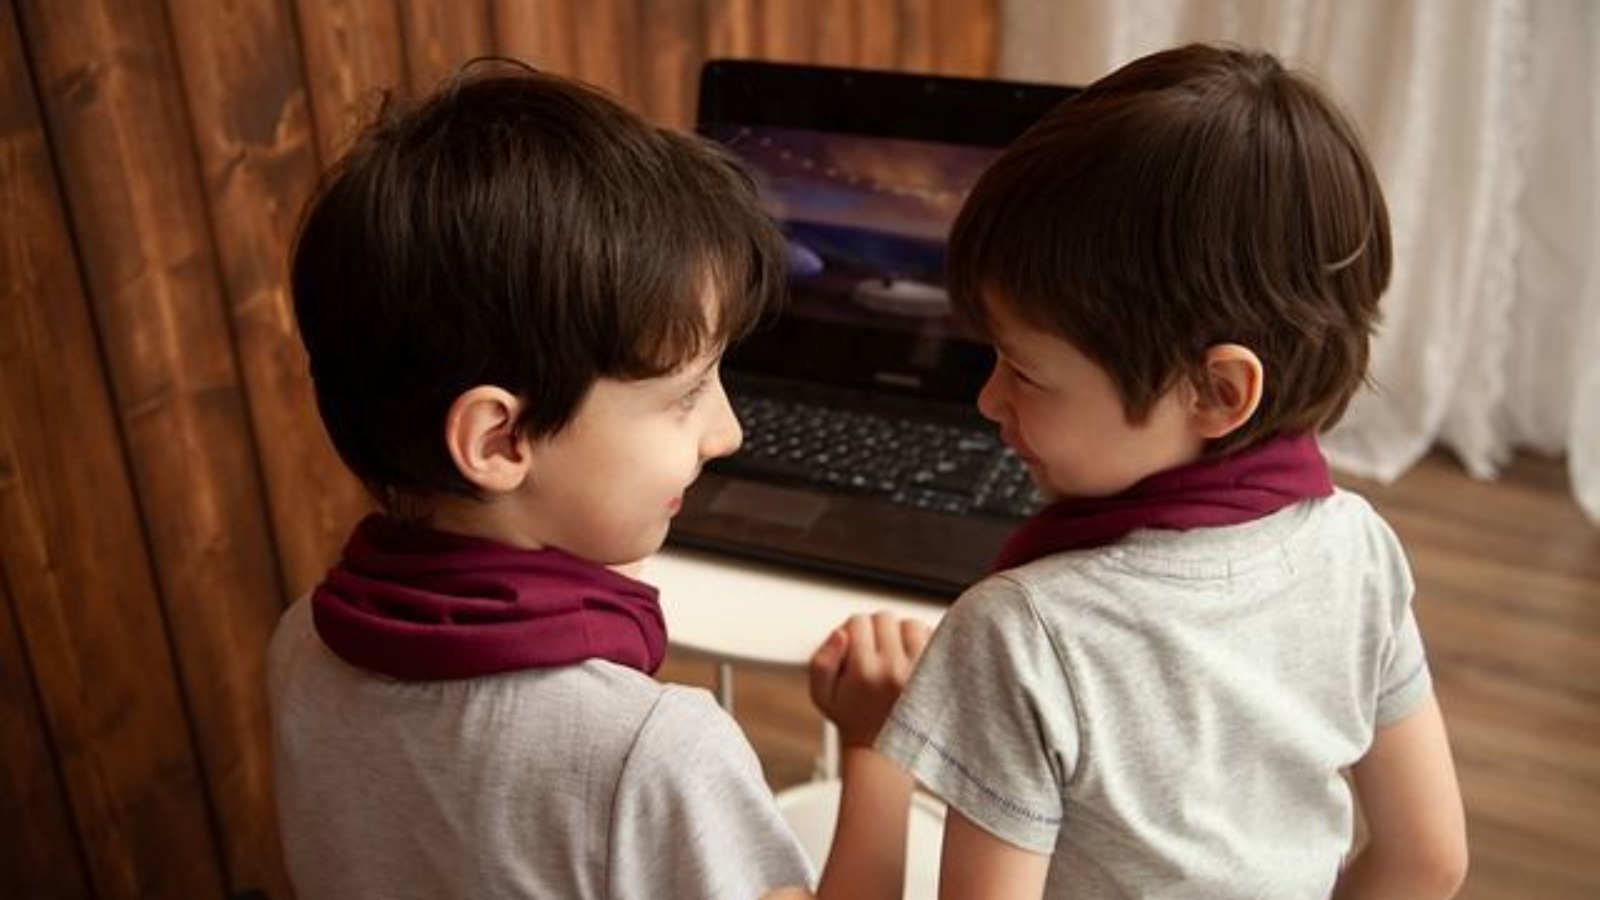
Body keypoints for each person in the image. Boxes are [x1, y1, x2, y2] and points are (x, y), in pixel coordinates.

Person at [269, 59, 927, 900]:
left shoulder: (302, 645)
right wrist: (879, 745)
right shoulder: (651, 754)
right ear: (500, 439)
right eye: (685, 394)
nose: (728, 432)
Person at [874, 43, 1470, 899]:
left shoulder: (1023, 633)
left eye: (1025, 372)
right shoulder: (1360, 549)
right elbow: (1428, 859)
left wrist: (872, 746)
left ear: (1218, 392)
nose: (988, 399)